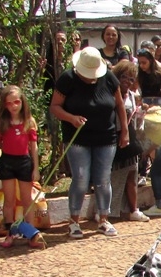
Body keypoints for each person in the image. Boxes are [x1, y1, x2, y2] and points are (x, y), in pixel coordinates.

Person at [50, 46, 128, 239]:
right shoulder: (67, 79)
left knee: (103, 179)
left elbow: (119, 105)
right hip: (78, 138)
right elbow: (55, 107)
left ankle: (103, 218)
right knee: (81, 178)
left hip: (106, 137)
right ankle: (74, 221)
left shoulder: (109, 78)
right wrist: (71, 118)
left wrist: (124, 131)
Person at [0, 86, 44, 249]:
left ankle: (31, 233)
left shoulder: (29, 122)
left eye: (17, 102)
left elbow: (33, 146)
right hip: (7, 161)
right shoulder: (2, 123)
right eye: (9, 103)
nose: (13, 106)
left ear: (22, 102)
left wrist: (36, 168)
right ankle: (10, 232)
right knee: (9, 200)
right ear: (4, 105)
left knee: (27, 200)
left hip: (24, 161)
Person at [109, 59, 148, 223]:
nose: (127, 81)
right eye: (124, 77)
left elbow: (136, 122)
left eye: (131, 79)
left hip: (130, 139)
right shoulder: (110, 94)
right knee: (115, 178)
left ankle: (133, 210)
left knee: (132, 175)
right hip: (114, 138)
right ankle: (110, 212)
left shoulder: (132, 96)